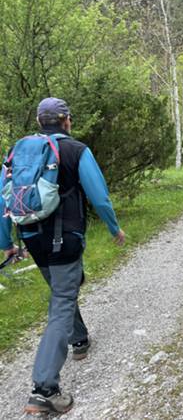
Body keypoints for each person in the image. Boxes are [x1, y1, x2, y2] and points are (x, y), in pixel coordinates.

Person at [0, 98, 126, 415]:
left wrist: (7, 243)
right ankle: (44, 390)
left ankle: (79, 340)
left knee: (62, 292)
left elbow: (3, 199)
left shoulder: (19, 152)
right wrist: (114, 228)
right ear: (67, 120)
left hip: (32, 239)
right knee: (62, 302)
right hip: (65, 240)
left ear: (41, 121)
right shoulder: (75, 150)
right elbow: (99, 195)